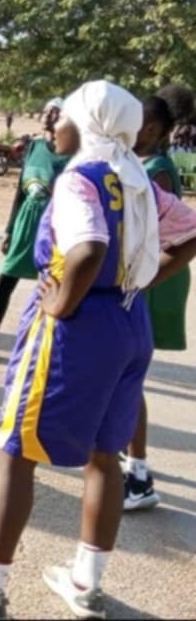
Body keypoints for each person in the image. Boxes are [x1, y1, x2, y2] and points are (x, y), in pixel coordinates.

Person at [0, 80, 196, 621]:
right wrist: (147, 278)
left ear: (90, 123)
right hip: (128, 323)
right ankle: (85, 585)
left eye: (62, 115)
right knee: (105, 459)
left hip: (77, 328)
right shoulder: (134, 174)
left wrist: (60, 304)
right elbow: (190, 228)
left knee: (16, 452)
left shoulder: (80, 178)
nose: (53, 124)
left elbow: (90, 246)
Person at [124, 86, 194, 511]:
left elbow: (163, 234)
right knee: (125, 377)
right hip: (143, 274)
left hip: (153, 277)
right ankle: (131, 459)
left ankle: (138, 472)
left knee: (128, 377)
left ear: (150, 129)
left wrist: (143, 280)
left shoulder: (156, 171)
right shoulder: (138, 164)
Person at [0, 98, 68, 361]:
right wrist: (10, 229)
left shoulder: (72, 153)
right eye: (46, 110)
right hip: (26, 220)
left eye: (56, 111)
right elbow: (20, 192)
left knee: (53, 284)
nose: (49, 114)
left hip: (56, 225)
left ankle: (54, 348)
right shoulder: (33, 146)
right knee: (7, 278)